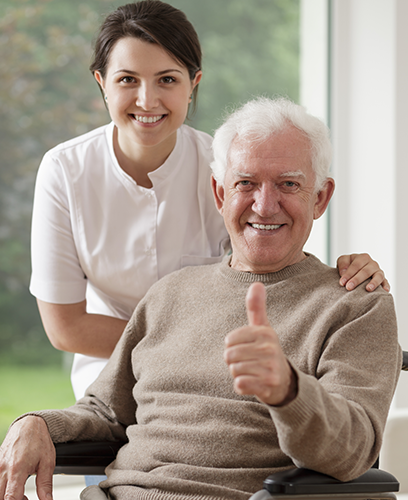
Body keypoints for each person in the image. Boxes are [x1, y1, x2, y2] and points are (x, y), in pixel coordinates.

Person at [1, 97, 400, 500]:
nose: (264, 204)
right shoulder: (169, 294)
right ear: (219, 193)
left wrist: (288, 390)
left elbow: (353, 450)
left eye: (289, 184)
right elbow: (105, 412)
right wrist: (37, 423)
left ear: (320, 198)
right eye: (246, 183)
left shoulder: (355, 306)